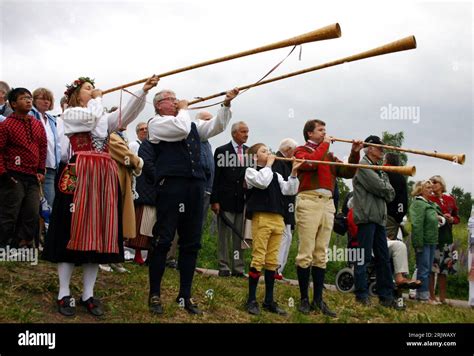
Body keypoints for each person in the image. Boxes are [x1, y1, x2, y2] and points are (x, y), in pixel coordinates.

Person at [43, 75, 158, 317]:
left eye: (94, 89)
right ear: (76, 94)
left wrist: (143, 92)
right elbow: (92, 118)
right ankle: (64, 293)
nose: (93, 91)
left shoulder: (102, 116)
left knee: (100, 233)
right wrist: (98, 98)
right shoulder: (71, 113)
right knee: (70, 231)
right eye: (88, 88)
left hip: (103, 179)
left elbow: (125, 116)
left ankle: (88, 294)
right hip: (79, 175)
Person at [147, 87, 239, 315]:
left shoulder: (189, 123)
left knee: (192, 241)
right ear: (159, 105)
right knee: (164, 238)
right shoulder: (156, 123)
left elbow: (216, 126)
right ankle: (155, 294)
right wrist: (185, 108)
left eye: (176, 99)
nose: (176, 101)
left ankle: (184, 295)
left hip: (195, 185)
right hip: (171, 185)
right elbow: (181, 128)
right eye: (171, 99)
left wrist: (225, 105)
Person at [294, 119, 363, 317]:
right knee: (305, 251)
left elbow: (348, 172)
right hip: (308, 200)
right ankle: (304, 300)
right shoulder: (301, 151)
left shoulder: (329, 155)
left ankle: (318, 300)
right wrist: (325, 144)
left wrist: (355, 152)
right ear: (309, 134)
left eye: (325, 130)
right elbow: (310, 163)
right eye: (321, 130)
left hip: (327, 203)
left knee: (321, 253)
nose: (325, 133)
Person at [244, 143, 300, 315]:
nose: (268, 153)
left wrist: (293, 173)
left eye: (268, 150)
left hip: (278, 218)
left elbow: (290, 190)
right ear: (255, 157)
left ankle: (269, 301)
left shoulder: (275, 174)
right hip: (262, 217)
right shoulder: (251, 171)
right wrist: (268, 164)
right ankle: (251, 300)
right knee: (258, 257)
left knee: (272, 261)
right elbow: (262, 182)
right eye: (263, 151)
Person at [352, 136, 400, 309]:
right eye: (379, 148)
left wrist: (384, 188)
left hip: (379, 218)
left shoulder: (379, 168)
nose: (382, 151)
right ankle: (361, 294)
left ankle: (386, 296)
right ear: (370, 149)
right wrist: (384, 188)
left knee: (383, 258)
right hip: (366, 217)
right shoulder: (362, 166)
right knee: (363, 257)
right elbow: (380, 188)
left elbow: (390, 192)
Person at [0, 88, 46, 248]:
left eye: (29, 98)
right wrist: (4, 174)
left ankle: (21, 245)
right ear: (13, 104)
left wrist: (41, 170)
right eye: (23, 98)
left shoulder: (37, 124)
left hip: (32, 176)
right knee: (9, 213)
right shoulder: (6, 125)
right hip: (13, 175)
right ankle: (3, 245)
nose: (28, 100)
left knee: (31, 213)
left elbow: (42, 147)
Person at [211, 121, 249, 277]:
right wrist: (214, 200)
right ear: (234, 133)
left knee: (238, 237)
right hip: (224, 200)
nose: (246, 134)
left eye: (247, 132)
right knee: (224, 236)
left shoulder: (249, 152)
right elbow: (216, 178)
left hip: (242, 202)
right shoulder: (222, 151)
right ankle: (224, 266)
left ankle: (238, 268)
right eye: (243, 132)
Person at [108, 126, 144, 272]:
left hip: (122, 182)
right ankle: (106, 258)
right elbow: (126, 155)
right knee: (111, 220)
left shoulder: (121, 136)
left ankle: (115, 258)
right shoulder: (111, 136)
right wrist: (138, 162)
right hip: (113, 181)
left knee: (118, 222)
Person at [409, 180, 445, 303]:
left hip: (431, 240)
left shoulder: (429, 203)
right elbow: (417, 224)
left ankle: (422, 295)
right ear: (421, 189)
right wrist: (418, 243)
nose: (431, 189)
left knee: (427, 269)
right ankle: (423, 296)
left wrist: (440, 218)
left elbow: (439, 218)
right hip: (423, 241)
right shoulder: (419, 203)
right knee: (423, 269)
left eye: (431, 187)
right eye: (427, 187)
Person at [428, 175, 460, 304]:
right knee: (432, 269)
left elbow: (457, 218)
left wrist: (452, 219)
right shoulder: (428, 199)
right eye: (430, 182)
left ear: (441, 184)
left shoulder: (450, 199)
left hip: (447, 238)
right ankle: (431, 296)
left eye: (435, 182)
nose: (432, 184)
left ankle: (442, 298)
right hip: (434, 238)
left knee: (444, 270)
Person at [29, 88, 61, 209]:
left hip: (52, 165)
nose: (46, 101)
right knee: (39, 202)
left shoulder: (52, 120)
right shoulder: (30, 114)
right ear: (34, 100)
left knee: (49, 202)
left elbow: (56, 143)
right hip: (37, 166)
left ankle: (46, 226)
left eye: (48, 99)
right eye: (42, 98)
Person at [272, 138, 298, 279]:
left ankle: (279, 268)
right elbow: (280, 186)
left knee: (287, 236)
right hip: (282, 205)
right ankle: (276, 268)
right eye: (294, 152)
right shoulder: (278, 162)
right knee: (283, 236)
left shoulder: (285, 163)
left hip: (287, 206)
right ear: (288, 150)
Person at [383, 153, 408, 240]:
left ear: (386, 160)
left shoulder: (382, 173)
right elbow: (402, 200)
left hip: (385, 214)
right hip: (392, 215)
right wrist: (399, 215)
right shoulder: (400, 177)